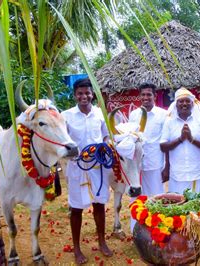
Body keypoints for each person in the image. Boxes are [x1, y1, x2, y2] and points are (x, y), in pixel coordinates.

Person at [61, 78, 112, 264]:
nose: (84, 96)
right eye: (80, 93)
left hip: (98, 168)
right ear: (74, 95)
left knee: (99, 205)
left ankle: (102, 241)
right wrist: (71, 153)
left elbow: (106, 136)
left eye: (87, 93)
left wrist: (106, 147)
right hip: (76, 168)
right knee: (76, 208)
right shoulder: (66, 115)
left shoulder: (99, 113)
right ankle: (76, 248)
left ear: (92, 94)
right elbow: (62, 142)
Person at [160, 88, 200, 194]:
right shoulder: (169, 123)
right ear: (176, 104)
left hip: (196, 175)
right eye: (181, 101)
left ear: (192, 104)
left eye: (187, 101)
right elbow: (163, 146)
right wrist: (180, 139)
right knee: (178, 208)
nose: (184, 104)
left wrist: (192, 139)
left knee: (196, 208)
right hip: (176, 176)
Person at [129, 83, 167, 196]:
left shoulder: (163, 115)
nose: (146, 97)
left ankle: (155, 215)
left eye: (149, 94)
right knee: (137, 197)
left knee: (156, 196)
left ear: (155, 96)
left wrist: (166, 166)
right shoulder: (134, 115)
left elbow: (165, 141)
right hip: (137, 165)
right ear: (139, 96)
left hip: (155, 163)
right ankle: (138, 214)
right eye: (143, 95)